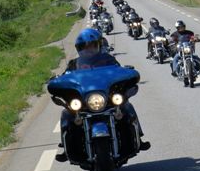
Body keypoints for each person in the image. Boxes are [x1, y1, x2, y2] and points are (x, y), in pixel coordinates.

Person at [56, 28, 149, 162]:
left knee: (127, 107)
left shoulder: (109, 60)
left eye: (92, 46)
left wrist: (127, 73)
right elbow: (65, 78)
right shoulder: (74, 64)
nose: (89, 49)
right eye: (85, 47)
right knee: (66, 114)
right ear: (79, 49)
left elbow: (120, 72)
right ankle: (66, 150)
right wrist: (57, 81)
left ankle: (139, 137)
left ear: (99, 45)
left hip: (108, 100)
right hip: (84, 102)